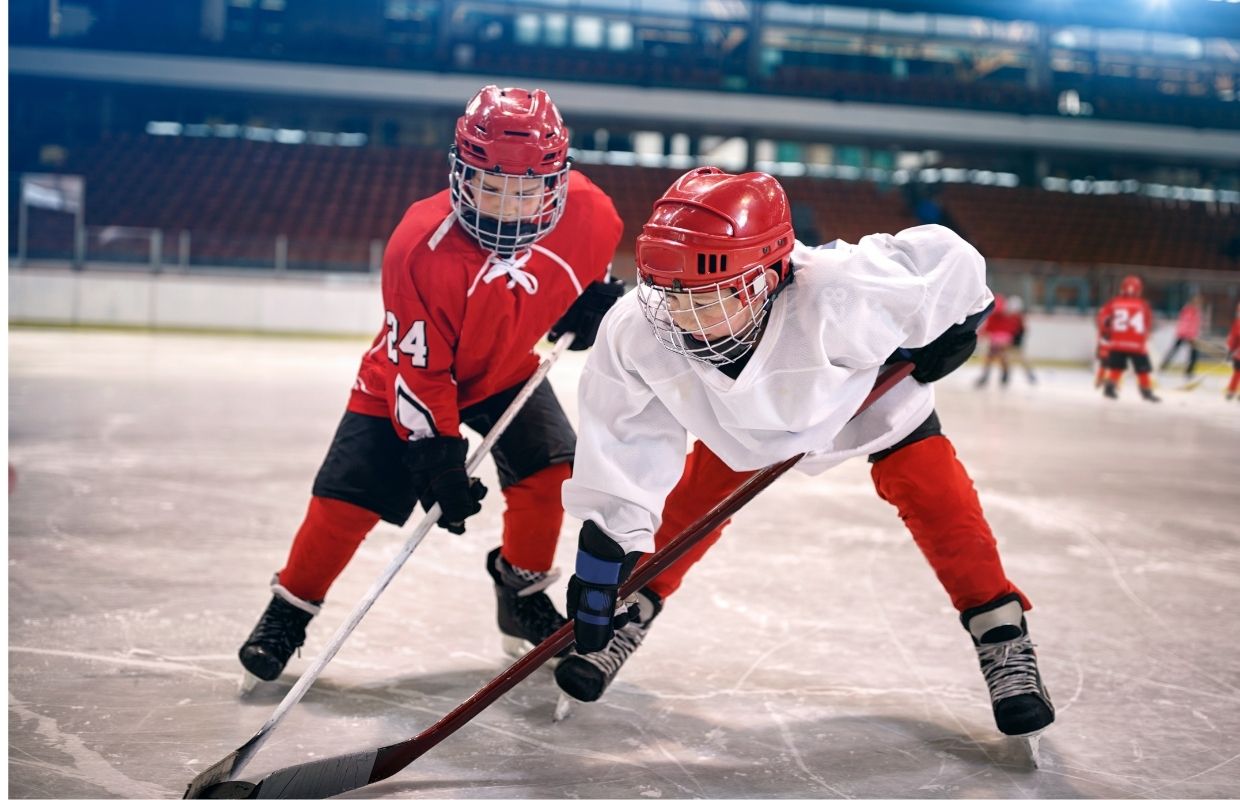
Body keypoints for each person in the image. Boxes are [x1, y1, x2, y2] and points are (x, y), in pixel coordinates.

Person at [555, 167, 1055, 745]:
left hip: (864, 400)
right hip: (745, 426)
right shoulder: (638, 328)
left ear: (766, 279)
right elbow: (625, 443)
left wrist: (958, 328)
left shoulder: (845, 289)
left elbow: (954, 262)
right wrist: (605, 562)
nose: (682, 318)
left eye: (707, 300)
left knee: (938, 497)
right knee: (691, 504)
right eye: (671, 293)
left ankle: (1000, 632)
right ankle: (634, 609)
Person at [237, 85, 624, 682]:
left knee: (551, 473)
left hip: (505, 370)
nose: (506, 208)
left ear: (556, 182)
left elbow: (576, 284)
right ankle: (289, 609)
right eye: (490, 186)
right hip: (404, 377)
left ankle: (520, 594)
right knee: (347, 501)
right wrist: (437, 454)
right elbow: (420, 369)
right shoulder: (420, 244)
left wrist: (582, 307)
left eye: (525, 191)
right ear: (460, 174)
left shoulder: (594, 216)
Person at [1097, 276, 1160, 403]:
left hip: (1117, 342)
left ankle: (1110, 388)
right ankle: (1146, 391)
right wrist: (1145, 336)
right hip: (1136, 344)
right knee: (1142, 369)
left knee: (1116, 367)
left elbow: (1103, 320)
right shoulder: (1143, 305)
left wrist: (1106, 333)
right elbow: (1147, 323)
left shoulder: (1114, 302)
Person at [975, 294, 1034, 387]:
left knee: (1006, 356)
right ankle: (995, 376)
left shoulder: (1015, 318)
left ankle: (1001, 376)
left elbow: (1020, 330)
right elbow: (989, 328)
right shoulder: (998, 317)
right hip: (1001, 340)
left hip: (1009, 340)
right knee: (996, 356)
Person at [1159, 294, 1202, 381]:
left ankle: (1189, 371)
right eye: (1196, 301)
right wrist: (1187, 335)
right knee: (1174, 350)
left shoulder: (1197, 312)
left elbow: (1196, 325)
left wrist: (1195, 335)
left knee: (1193, 354)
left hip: (1192, 336)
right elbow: (1185, 323)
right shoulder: (1187, 310)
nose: (1198, 303)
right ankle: (1163, 366)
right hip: (1183, 334)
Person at [1227, 302, 1240, 402]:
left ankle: (1231, 391)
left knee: (1237, 372)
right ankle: (1231, 391)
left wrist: (1231, 349)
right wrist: (1231, 350)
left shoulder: (1237, 323)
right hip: (1238, 354)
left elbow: (1234, 338)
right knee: (1237, 372)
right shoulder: (1237, 323)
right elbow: (1234, 338)